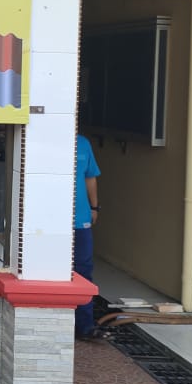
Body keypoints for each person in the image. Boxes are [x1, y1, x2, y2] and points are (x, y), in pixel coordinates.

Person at [74, 133, 108, 341]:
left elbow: (90, 177)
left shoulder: (84, 143)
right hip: (50, 223)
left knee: (83, 271)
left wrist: (94, 206)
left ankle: (85, 325)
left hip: (80, 219)